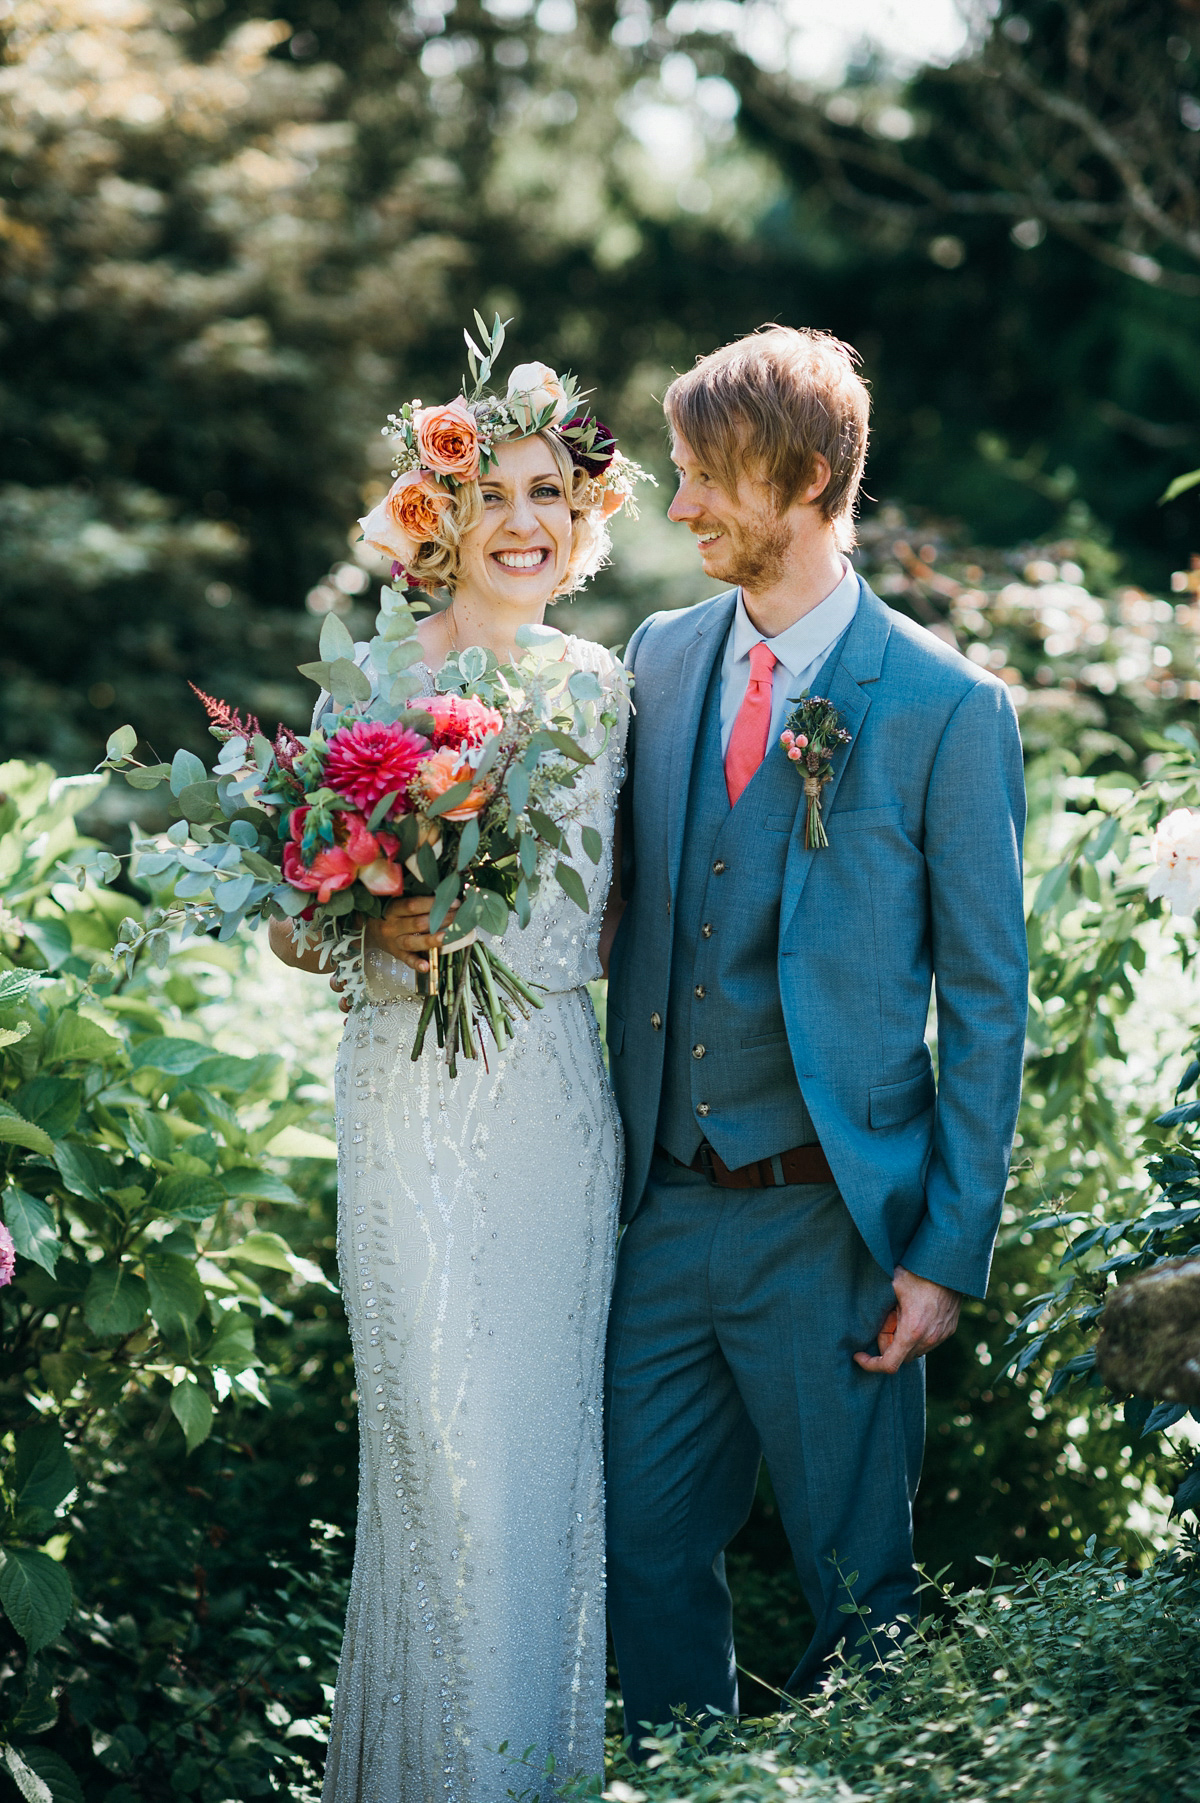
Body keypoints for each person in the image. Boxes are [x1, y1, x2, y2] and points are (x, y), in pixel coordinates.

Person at [602, 326, 1028, 1741]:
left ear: (802, 480)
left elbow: (985, 1001)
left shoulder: (948, 709)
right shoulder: (656, 662)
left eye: (704, 479)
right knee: (644, 1554)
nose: (681, 510)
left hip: (835, 1229)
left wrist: (945, 1253)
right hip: (661, 1209)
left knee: (859, 1590)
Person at [270, 363, 637, 1803]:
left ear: (586, 513)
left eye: (553, 493)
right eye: (494, 493)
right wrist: (373, 920)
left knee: (535, 1463)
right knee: (444, 1463)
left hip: (551, 1101)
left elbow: (625, 923)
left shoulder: (611, 689)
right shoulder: (371, 680)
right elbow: (295, 920)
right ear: (440, 512)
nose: (525, 521)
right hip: (410, 1096)